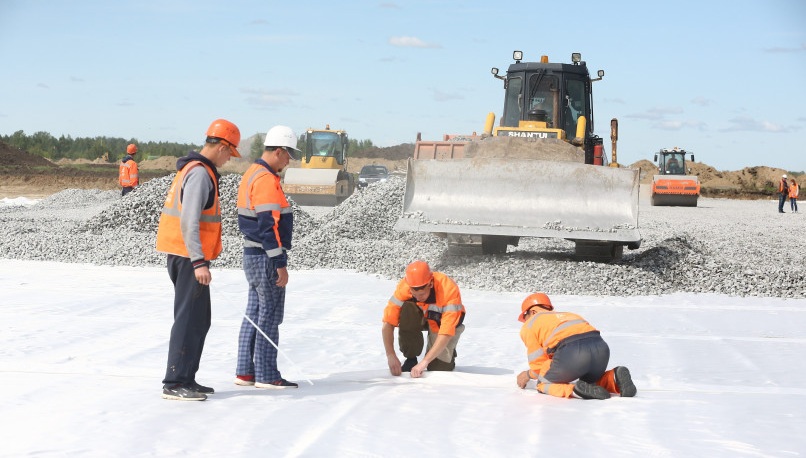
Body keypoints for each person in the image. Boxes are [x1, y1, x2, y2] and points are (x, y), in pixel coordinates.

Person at [155, 119, 241, 401]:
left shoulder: (195, 170)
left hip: (185, 256)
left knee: (199, 320)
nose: (230, 159)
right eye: (230, 153)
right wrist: (198, 262)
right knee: (188, 319)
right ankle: (175, 381)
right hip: (187, 257)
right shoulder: (200, 174)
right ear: (222, 146)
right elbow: (189, 222)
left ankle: (187, 377)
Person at [234, 125, 302, 390]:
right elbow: (267, 226)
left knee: (254, 312)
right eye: (288, 155)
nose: (289, 161)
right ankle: (266, 374)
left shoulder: (252, 173)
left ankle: (246, 372)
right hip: (264, 257)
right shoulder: (265, 179)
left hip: (252, 255)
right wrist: (279, 263)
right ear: (278, 151)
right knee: (269, 316)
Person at [516, 292, 637, 400]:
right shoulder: (568, 314)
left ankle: (574, 391)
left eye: (525, 317)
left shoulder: (530, 325)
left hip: (573, 353)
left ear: (532, 311)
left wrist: (527, 375)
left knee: (543, 383)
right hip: (601, 350)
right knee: (590, 383)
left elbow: (539, 367)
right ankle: (614, 378)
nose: (525, 321)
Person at [382, 260, 466, 378]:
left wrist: (425, 362)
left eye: (421, 294)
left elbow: (446, 332)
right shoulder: (405, 286)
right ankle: (411, 358)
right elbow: (388, 323)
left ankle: (448, 354)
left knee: (438, 369)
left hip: (442, 323)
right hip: (423, 315)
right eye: (414, 294)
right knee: (407, 308)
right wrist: (390, 355)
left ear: (430, 284)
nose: (418, 297)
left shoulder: (448, 289)